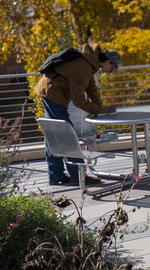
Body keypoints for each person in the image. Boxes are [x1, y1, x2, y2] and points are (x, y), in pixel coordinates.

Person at [35, 42, 121, 185]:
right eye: (113, 67)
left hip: (50, 91)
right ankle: (78, 176)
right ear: (107, 61)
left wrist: (100, 108)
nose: (112, 71)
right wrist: (98, 110)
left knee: (53, 135)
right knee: (67, 135)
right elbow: (78, 101)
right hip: (53, 94)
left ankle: (56, 175)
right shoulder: (84, 67)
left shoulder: (89, 63)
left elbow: (91, 88)